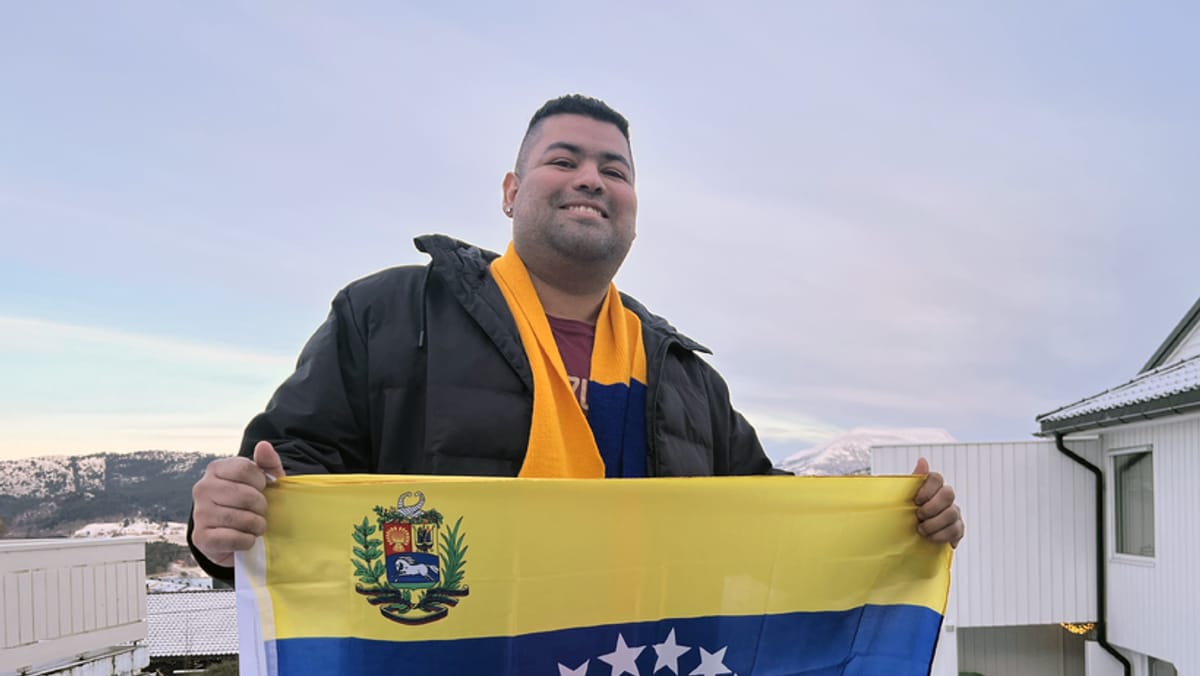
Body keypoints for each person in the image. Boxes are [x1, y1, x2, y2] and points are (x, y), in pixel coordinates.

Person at [189, 94, 964, 580]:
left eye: (615, 170)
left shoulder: (682, 375)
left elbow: (769, 516)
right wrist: (222, 527)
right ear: (511, 192)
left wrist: (897, 524)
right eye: (563, 160)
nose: (591, 178)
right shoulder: (390, 314)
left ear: (634, 210)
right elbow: (287, 479)